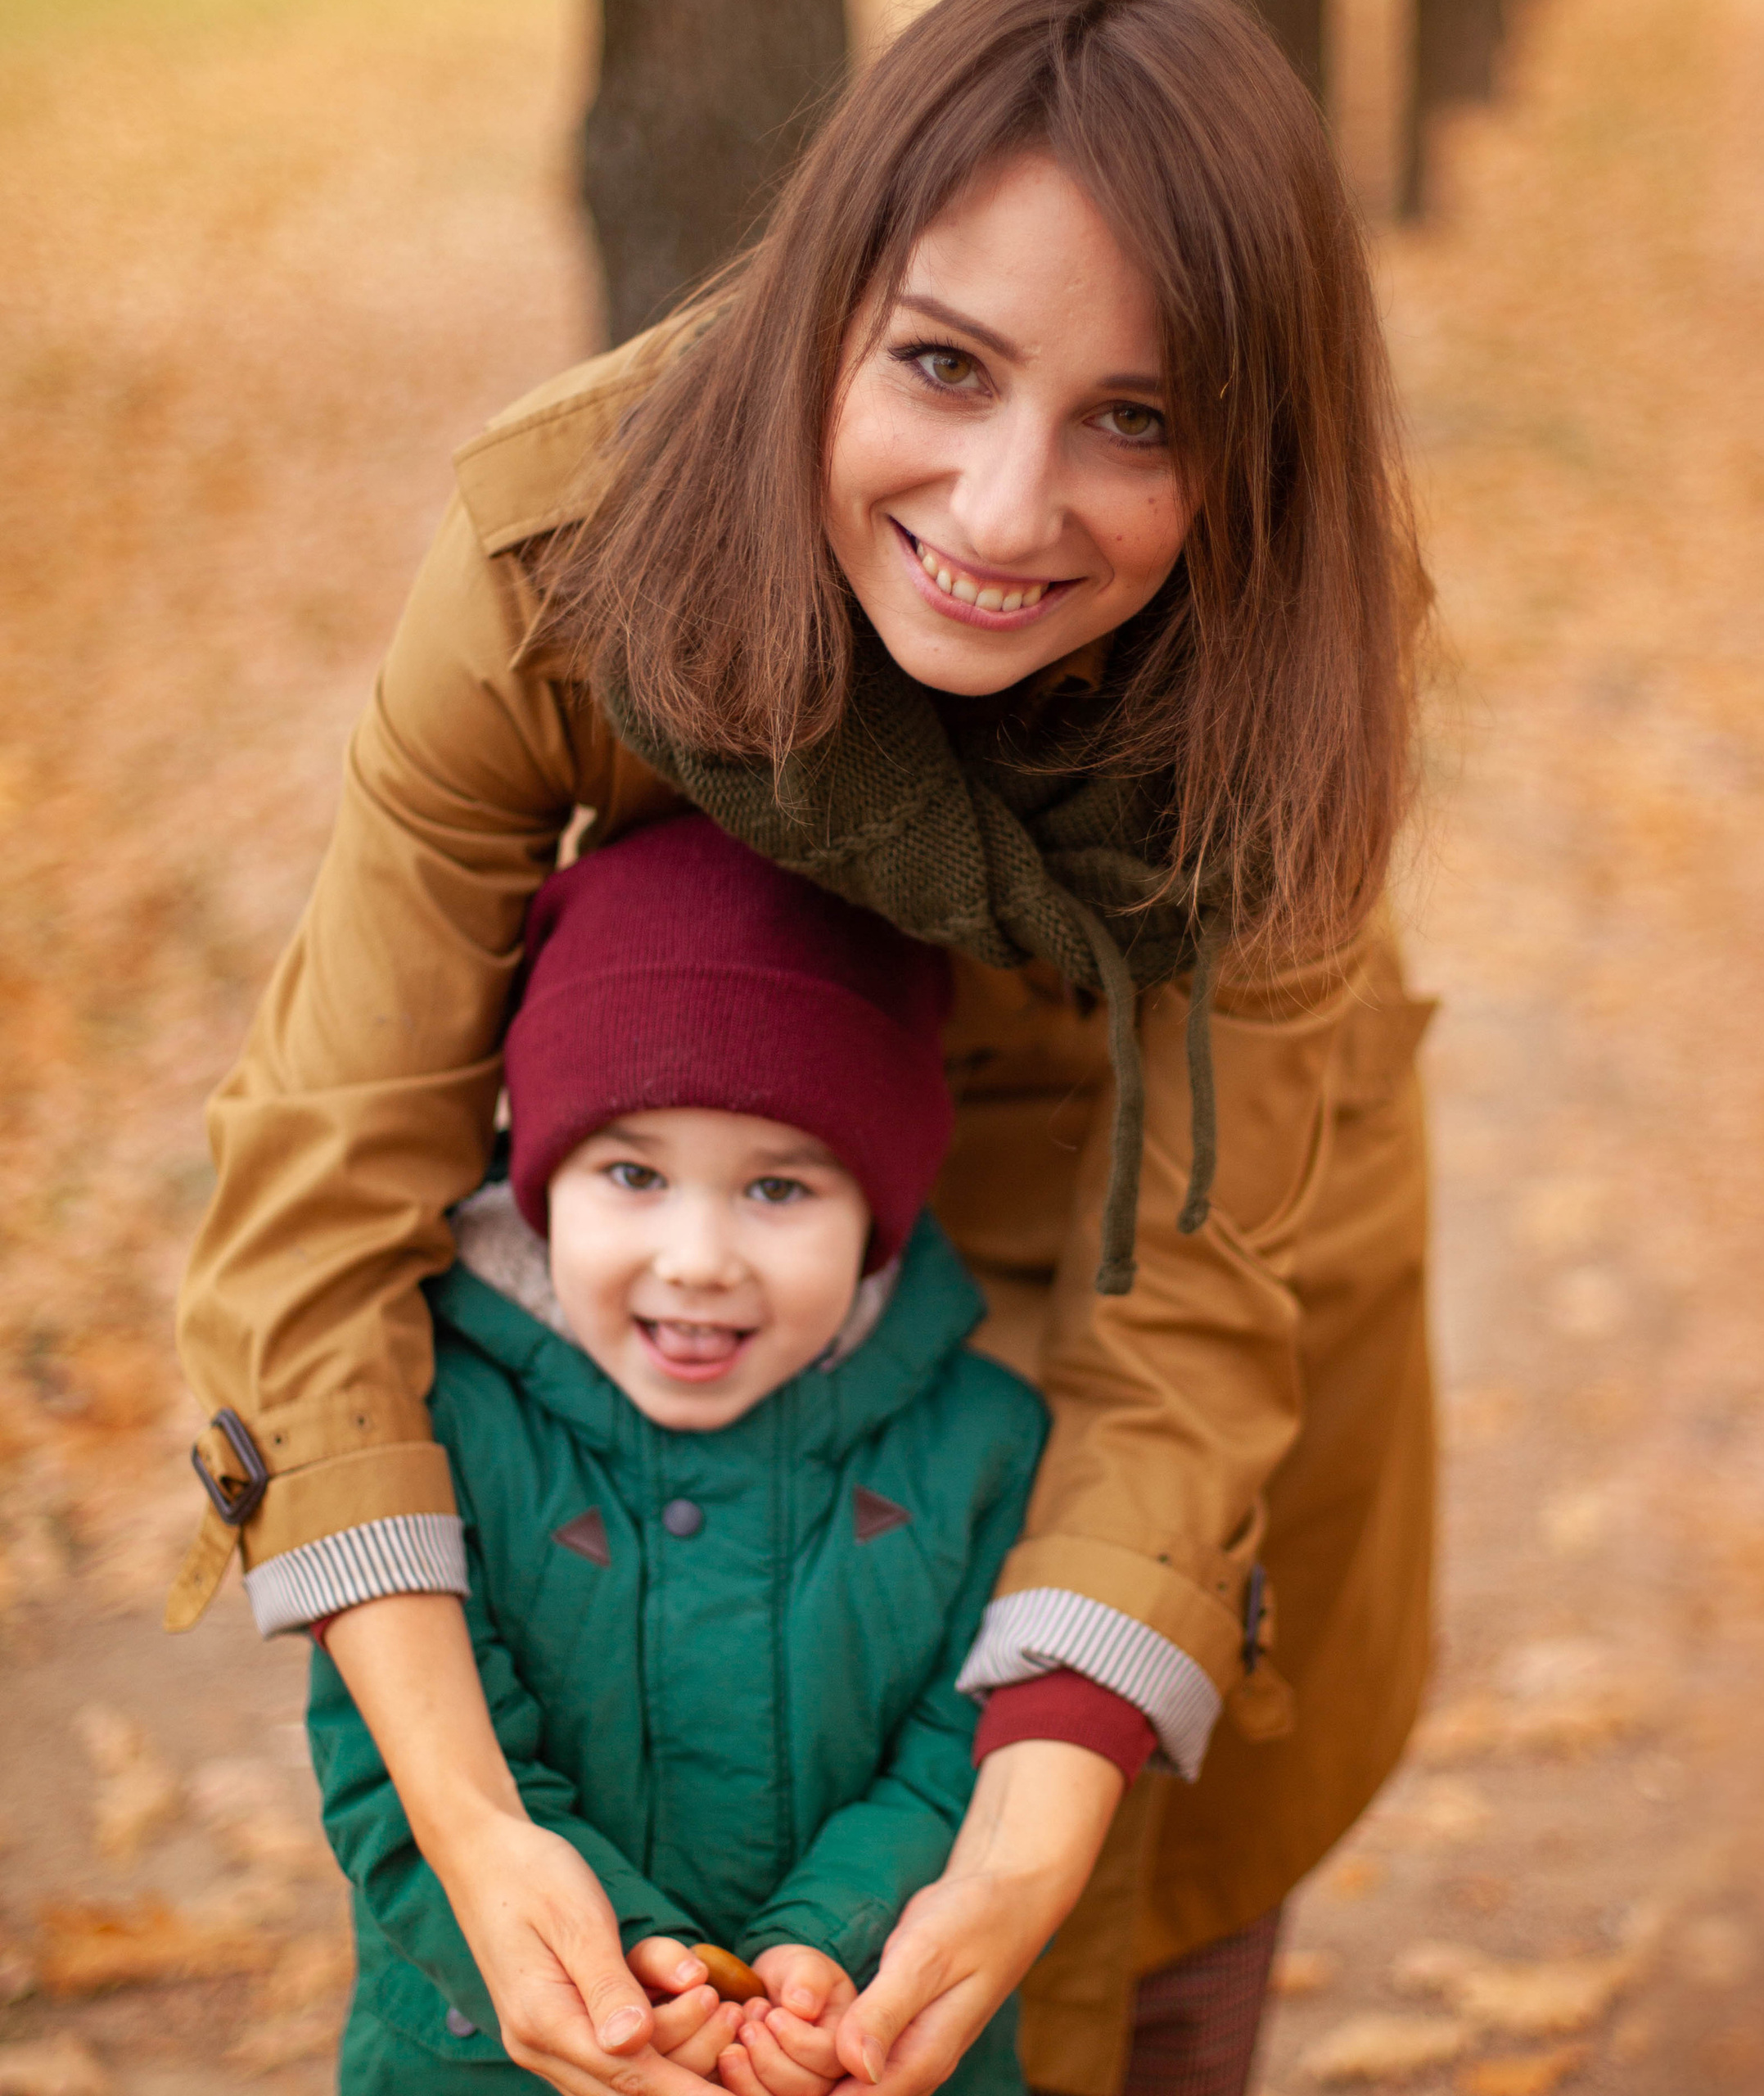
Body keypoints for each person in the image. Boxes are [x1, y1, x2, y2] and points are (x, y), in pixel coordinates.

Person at [170, 4, 1437, 2094]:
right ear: (824, 298)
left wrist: (1025, 1836)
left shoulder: (1288, 667)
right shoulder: (558, 557)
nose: (1004, 507)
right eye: (942, 363)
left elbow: (1192, 1311)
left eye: (1139, 419)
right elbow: (327, 1166)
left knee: (1130, 1934)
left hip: (1172, 1244)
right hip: (739, 1227)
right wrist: (477, 1825)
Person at [307, 812, 1054, 2095]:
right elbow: (399, 1750)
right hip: (490, 2058)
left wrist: (825, 1950)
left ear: (884, 1207)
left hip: (846, 2051)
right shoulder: (425, 1418)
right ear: (542, 1186)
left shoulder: (980, 1440)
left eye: (780, 1189)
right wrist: (634, 1962)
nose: (699, 1257)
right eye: (633, 1174)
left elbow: (964, 1742)